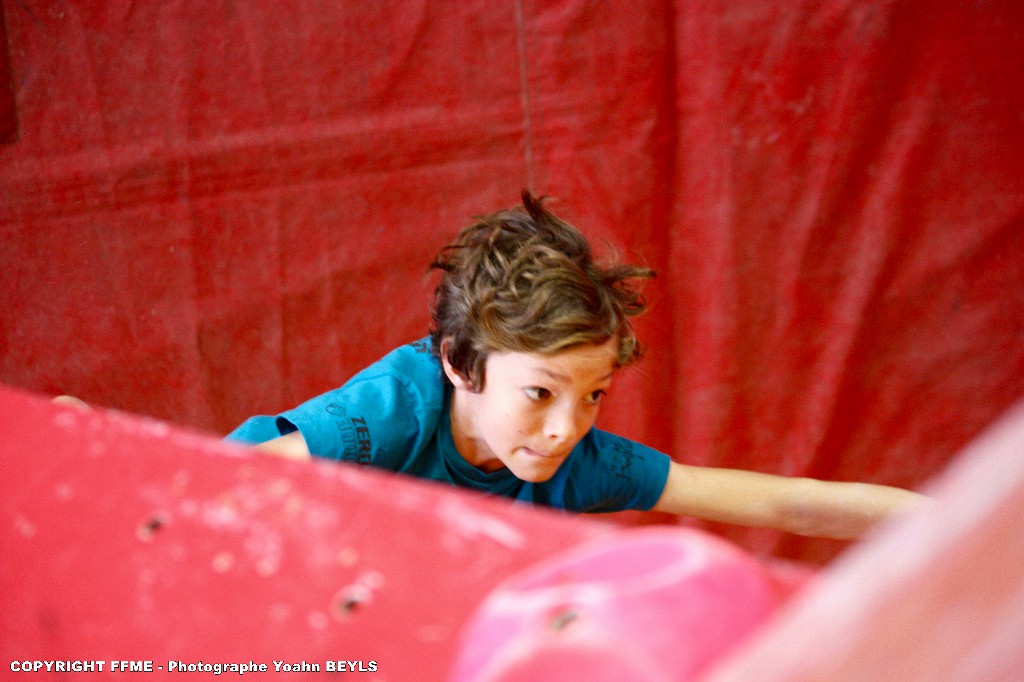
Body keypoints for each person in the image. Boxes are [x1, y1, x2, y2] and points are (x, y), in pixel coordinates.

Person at [226, 191, 925, 539]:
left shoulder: (574, 465)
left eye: (594, 395)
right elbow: (229, 493)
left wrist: (961, 527)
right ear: (461, 365)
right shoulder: (391, 415)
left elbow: (784, 502)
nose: (567, 427)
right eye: (540, 392)